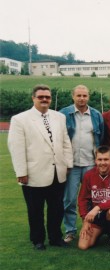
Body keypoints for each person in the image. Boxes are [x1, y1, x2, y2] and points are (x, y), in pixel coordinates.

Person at [8, 84, 73, 250]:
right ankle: (37, 240)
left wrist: (68, 164)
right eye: (41, 97)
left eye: (47, 97)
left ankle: (55, 237)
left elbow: (66, 142)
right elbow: (16, 148)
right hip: (33, 174)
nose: (44, 100)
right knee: (35, 210)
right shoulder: (20, 119)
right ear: (33, 98)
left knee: (56, 208)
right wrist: (21, 172)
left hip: (58, 172)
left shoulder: (59, 117)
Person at [59, 85, 104, 244]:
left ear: (88, 97)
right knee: (69, 199)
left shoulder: (96, 115)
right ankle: (70, 231)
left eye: (84, 95)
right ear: (73, 96)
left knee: (92, 199)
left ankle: (92, 228)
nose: (81, 98)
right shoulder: (64, 114)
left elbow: (101, 138)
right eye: (78, 95)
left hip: (91, 164)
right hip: (71, 165)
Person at [77, 145, 110, 250]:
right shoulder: (89, 175)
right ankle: (100, 231)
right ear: (95, 160)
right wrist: (85, 220)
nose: (102, 163)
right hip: (96, 217)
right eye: (100, 159)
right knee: (83, 246)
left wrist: (97, 207)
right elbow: (82, 199)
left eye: (106, 159)